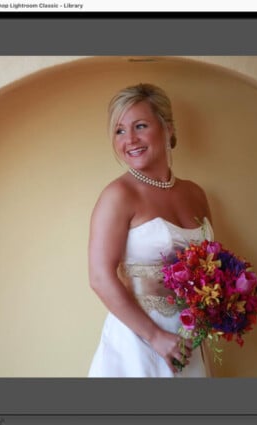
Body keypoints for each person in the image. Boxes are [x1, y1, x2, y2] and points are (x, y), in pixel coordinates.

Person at [87, 84, 213, 377]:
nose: (130, 139)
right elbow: (99, 277)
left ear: (167, 128)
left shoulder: (196, 193)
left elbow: (211, 268)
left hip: (190, 340)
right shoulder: (118, 195)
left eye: (140, 126)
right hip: (137, 343)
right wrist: (156, 337)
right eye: (119, 130)